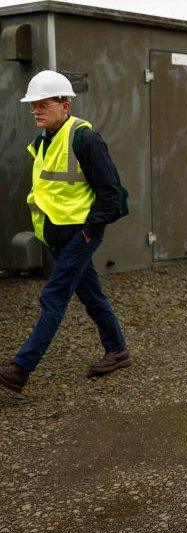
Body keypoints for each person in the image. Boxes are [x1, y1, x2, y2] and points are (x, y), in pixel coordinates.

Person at [1, 70, 130, 396]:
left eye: (44, 104)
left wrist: (89, 232)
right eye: (33, 106)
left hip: (79, 235)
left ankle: (20, 369)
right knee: (90, 294)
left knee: (53, 297)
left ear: (65, 105)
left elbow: (110, 193)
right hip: (57, 236)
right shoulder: (43, 141)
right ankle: (117, 350)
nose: (36, 111)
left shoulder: (85, 138)